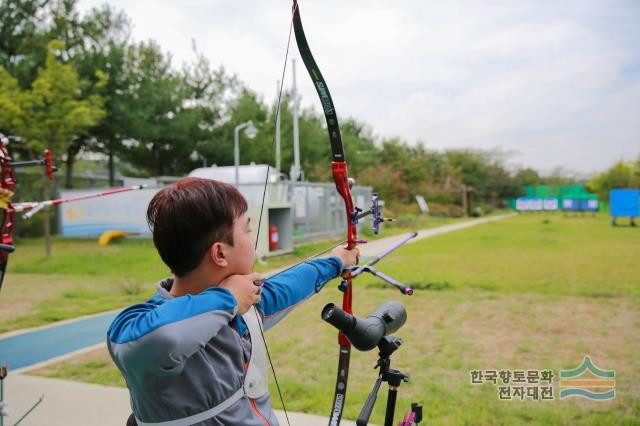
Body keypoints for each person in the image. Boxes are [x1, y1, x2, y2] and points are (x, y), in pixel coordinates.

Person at [107, 177, 358, 426]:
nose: (252, 240)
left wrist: (336, 262)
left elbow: (288, 286)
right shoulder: (139, 327)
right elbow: (158, 338)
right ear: (219, 253)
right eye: (248, 230)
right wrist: (227, 299)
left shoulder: (244, 302)